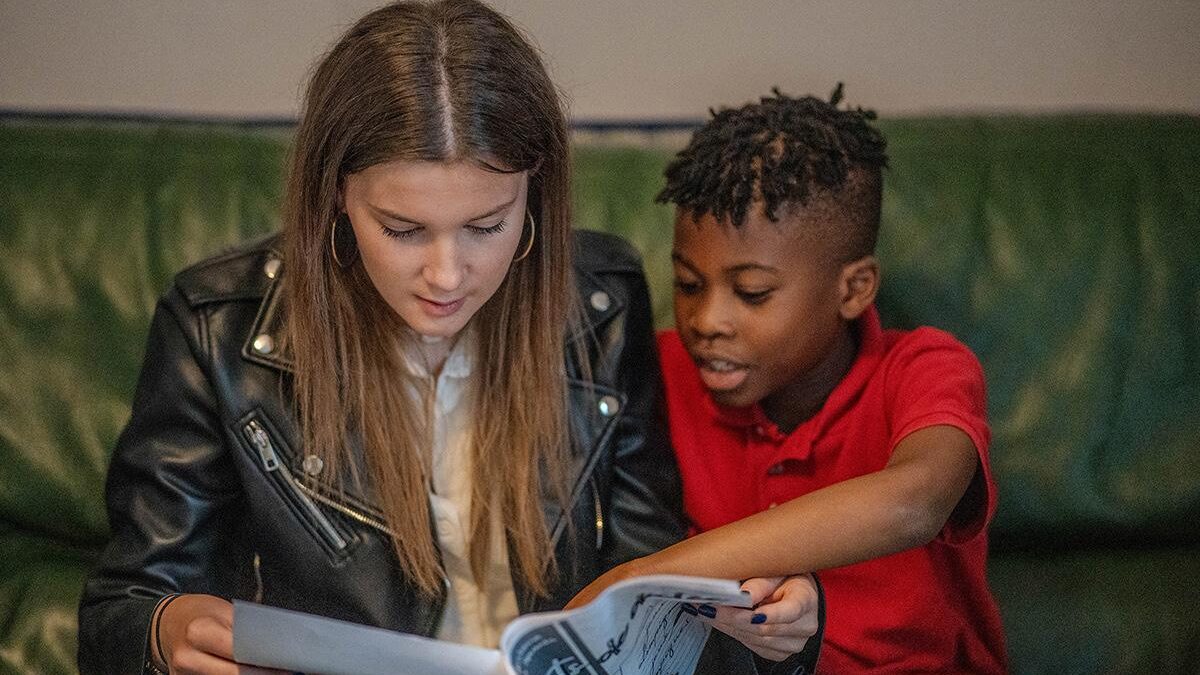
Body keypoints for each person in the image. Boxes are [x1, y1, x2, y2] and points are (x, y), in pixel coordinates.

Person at [77, 2, 821, 674]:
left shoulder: (600, 302)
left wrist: (769, 632)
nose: (446, 274)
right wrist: (161, 631)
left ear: (535, 192)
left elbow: (648, 591)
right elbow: (122, 607)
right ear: (336, 196)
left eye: (487, 226)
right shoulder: (215, 325)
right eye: (403, 230)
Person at [568, 86, 1008, 672]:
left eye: (752, 293)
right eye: (689, 284)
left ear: (853, 289)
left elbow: (915, 502)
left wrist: (637, 580)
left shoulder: (924, 368)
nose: (707, 321)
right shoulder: (660, 370)